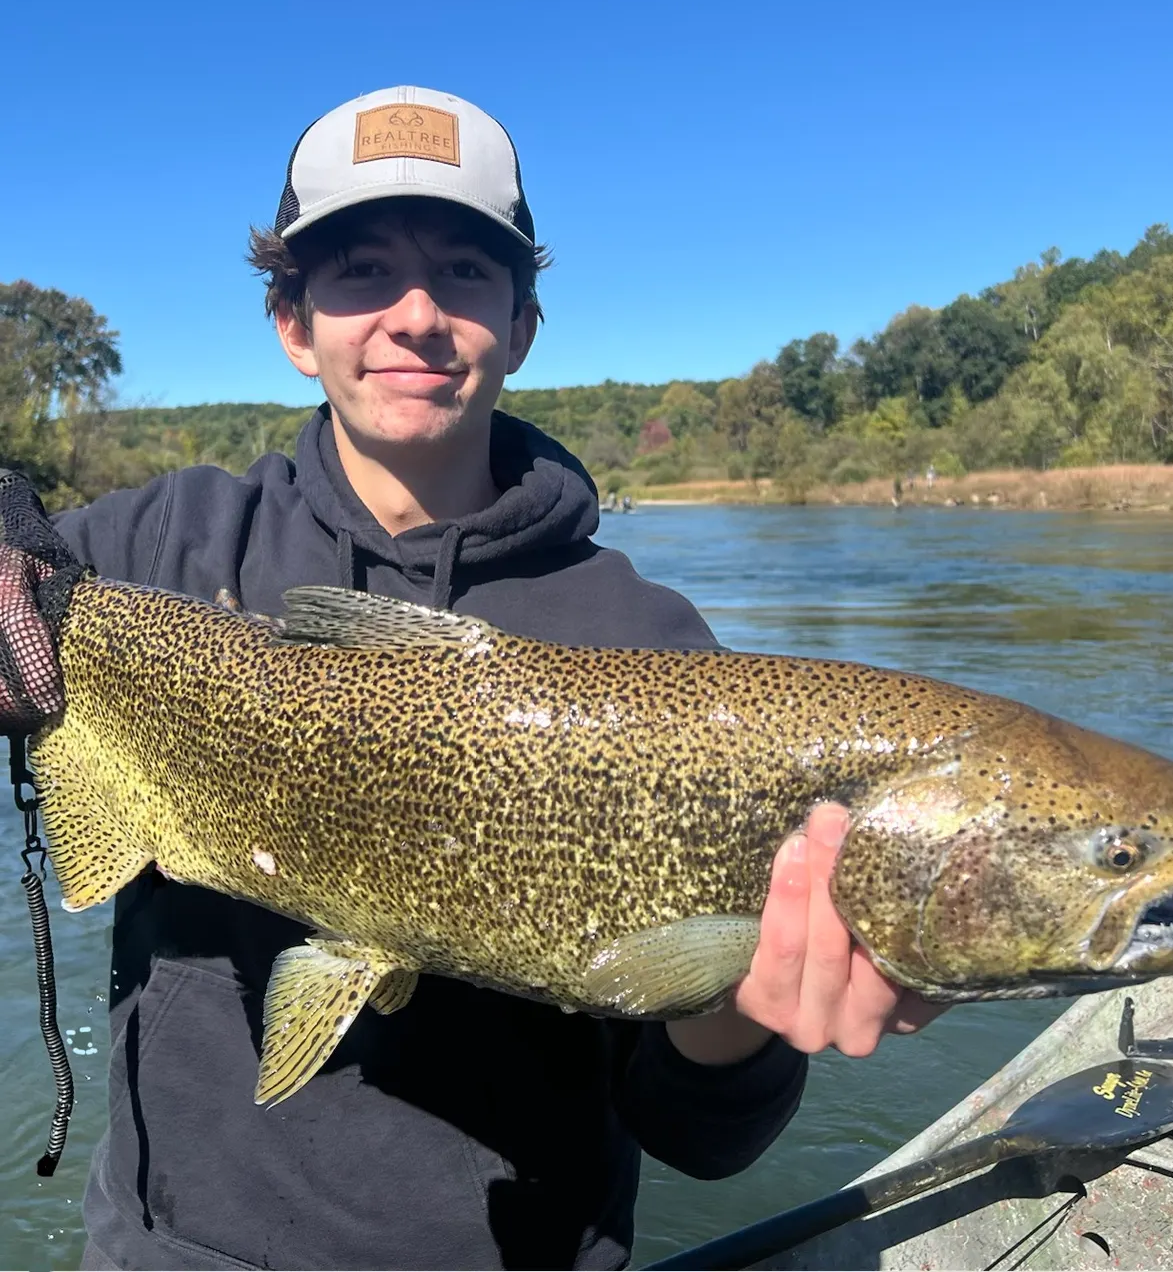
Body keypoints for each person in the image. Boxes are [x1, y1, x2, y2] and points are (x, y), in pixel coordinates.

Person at [0, 86, 941, 1270]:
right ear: (292, 321)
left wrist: (733, 1016)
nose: (415, 315)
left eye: (462, 271)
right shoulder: (159, 546)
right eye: (358, 272)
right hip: (164, 1245)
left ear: (524, 321)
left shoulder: (649, 649)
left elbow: (701, 1137)